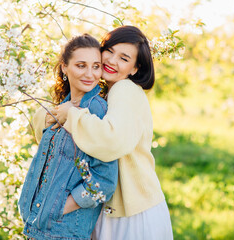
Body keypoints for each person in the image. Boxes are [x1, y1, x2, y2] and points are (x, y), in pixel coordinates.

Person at [39, 26, 173, 239]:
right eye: (109, 51)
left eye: (124, 58)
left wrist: (72, 115)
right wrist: (58, 114)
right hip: (113, 209)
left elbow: (112, 142)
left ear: (134, 69)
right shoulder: (101, 92)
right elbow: (50, 126)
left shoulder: (125, 89)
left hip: (132, 215)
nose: (111, 61)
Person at [18, 34, 118, 240]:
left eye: (96, 66)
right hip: (37, 224)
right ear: (65, 67)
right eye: (81, 66)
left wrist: (57, 208)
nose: (90, 74)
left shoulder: (97, 112)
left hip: (65, 229)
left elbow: (104, 180)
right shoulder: (62, 107)